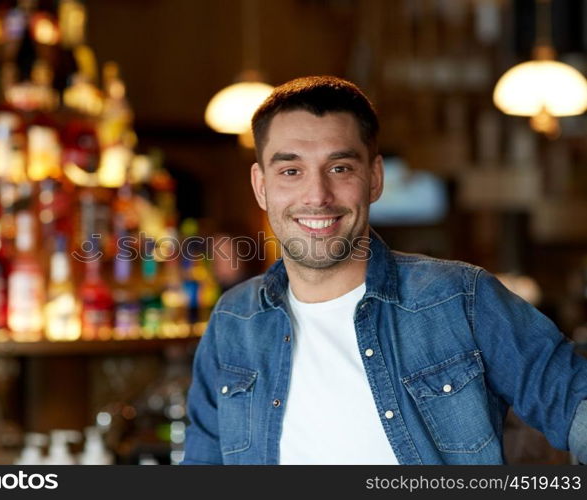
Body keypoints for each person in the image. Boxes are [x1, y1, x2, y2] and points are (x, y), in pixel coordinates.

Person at [182, 75, 587, 465]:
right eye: (291, 171)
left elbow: (575, 405)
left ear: (374, 178)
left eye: (340, 168)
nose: (318, 196)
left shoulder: (461, 299)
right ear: (261, 185)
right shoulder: (233, 320)